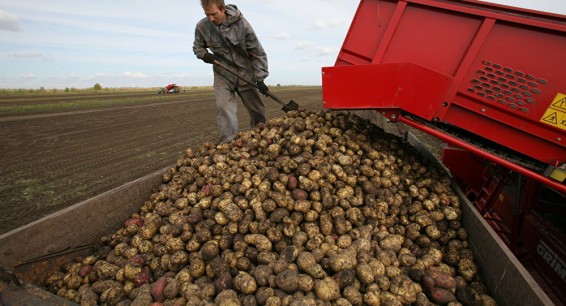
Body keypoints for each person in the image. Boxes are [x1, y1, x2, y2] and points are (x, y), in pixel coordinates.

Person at [193, 0, 270, 145]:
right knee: (223, 106)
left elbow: (257, 53)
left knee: (257, 110)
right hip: (223, 73)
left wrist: (260, 78)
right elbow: (198, 46)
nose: (211, 18)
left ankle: (260, 138)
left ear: (223, 9)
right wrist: (203, 54)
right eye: (207, 14)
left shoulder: (242, 25)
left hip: (245, 73)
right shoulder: (202, 26)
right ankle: (228, 144)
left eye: (214, 14)